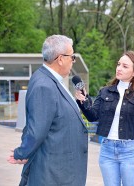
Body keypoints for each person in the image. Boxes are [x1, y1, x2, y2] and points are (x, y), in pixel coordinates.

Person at [7, 35, 88, 186]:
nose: (73, 61)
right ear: (61, 59)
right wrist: (22, 153)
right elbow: (36, 129)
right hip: (53, 173)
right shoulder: (44, 85)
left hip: (59, 171)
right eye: (72, 57)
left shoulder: (52, 81)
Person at [75, 50, 134, 186]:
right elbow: (92, 116)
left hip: (131, 151)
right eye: (119, 64)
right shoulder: (105, 91)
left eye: (125, 66)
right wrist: (82, 102)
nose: (119, 68)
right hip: (107, 150)